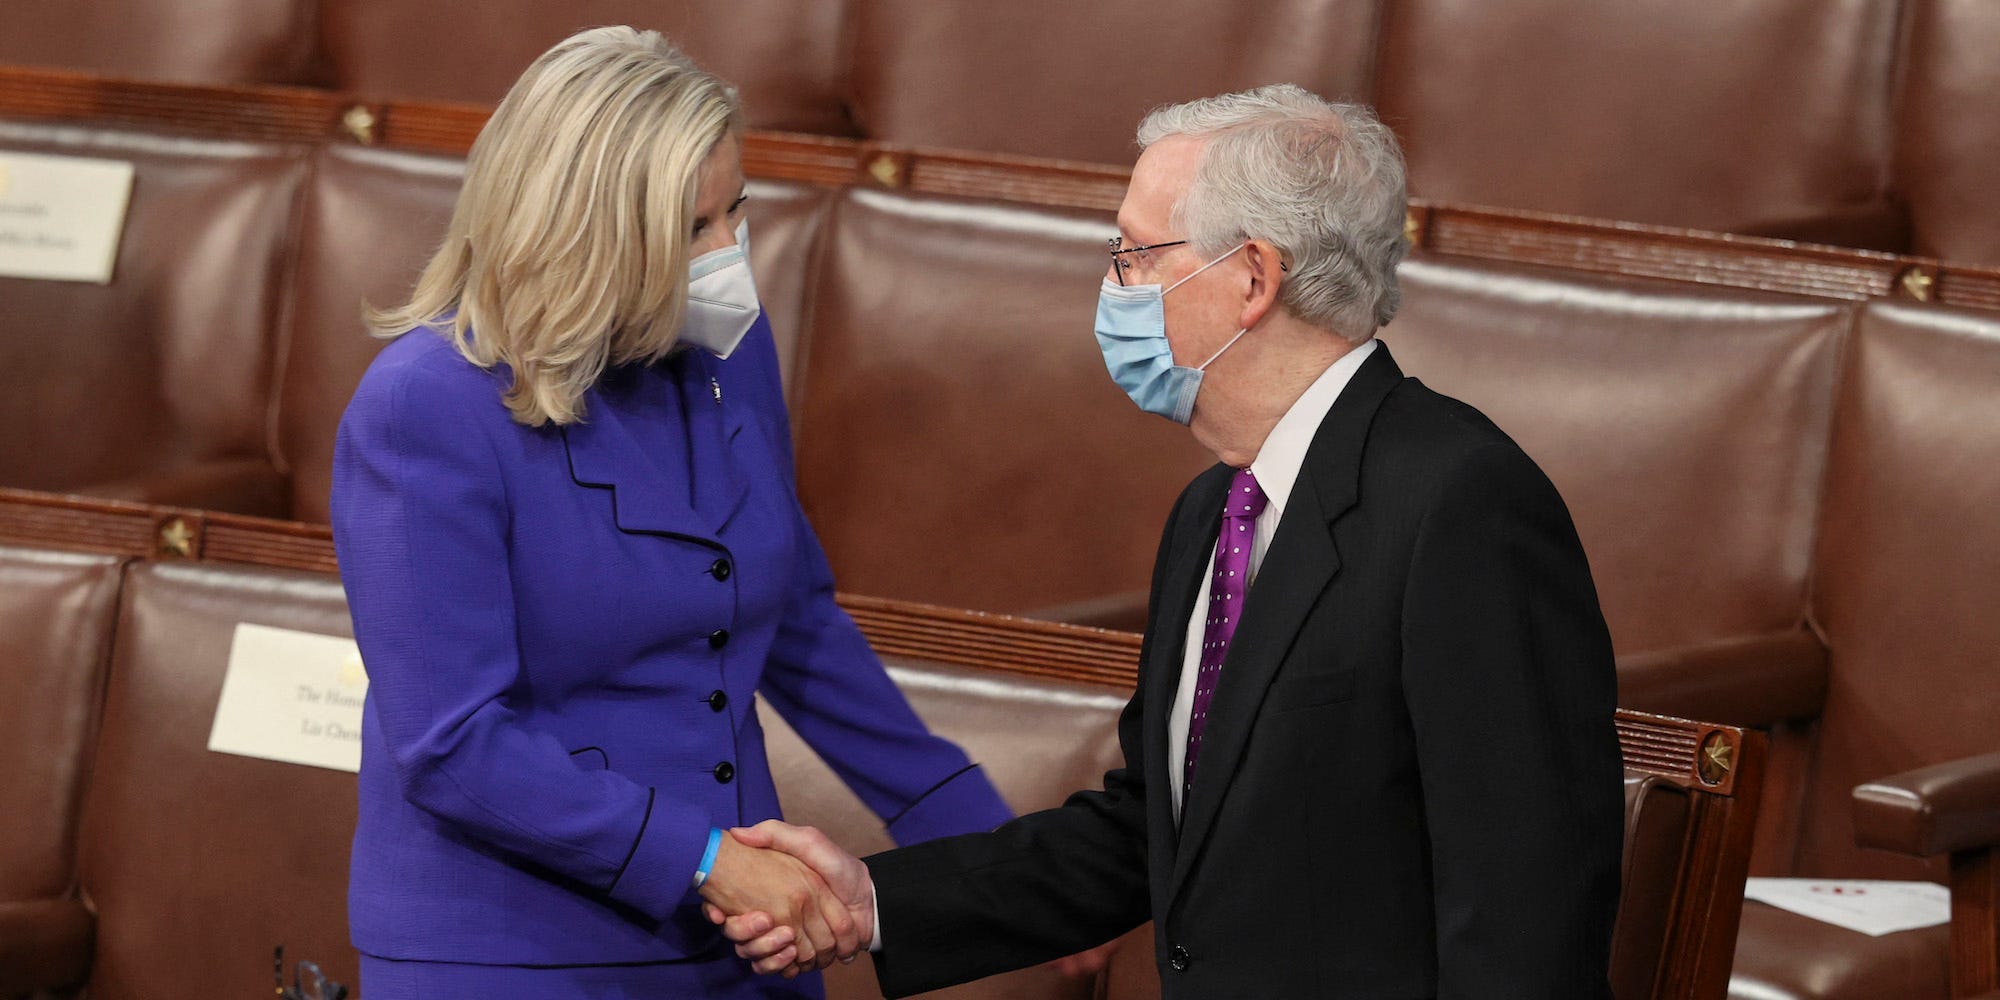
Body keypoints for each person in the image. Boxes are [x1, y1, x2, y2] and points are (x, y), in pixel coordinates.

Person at [713, 85, 1627, 997]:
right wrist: (876, 900)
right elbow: (1154, 831)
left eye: (1135, 254)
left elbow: (1524, 908)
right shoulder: (1216, 512)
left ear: (1253, 280)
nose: (1113, 286)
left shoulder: (1463, 502)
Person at [329, 27, 1015, 998]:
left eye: (736, 210)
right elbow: (453, 742)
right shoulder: (421, 405)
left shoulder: (726, 347)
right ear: (584, 234)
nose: (729, 253)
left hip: (745, 937)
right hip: (516, 950)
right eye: (693, 230)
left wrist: (977, 840)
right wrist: (706, 860)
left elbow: (797, 617)